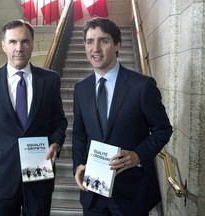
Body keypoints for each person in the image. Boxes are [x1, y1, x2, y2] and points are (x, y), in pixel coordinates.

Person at [72, 17, 173, 216]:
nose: (96, 48)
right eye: (89, 41)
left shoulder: (142, 86)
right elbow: (79, 134)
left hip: (131, 194)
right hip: (93, 194)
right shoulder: (80, 89)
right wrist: (78, 165)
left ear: (117, 44)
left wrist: (138, 155)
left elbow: (163, 129)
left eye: (104, 40)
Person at [0, 19, 68, 216]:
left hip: (39, 173)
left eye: (25, 41)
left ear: (32, 44)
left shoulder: (50, 80)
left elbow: (59, 121)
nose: (19, 48)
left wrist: (56, 143)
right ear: (3, 45)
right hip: (2, 175)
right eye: (13, 42)